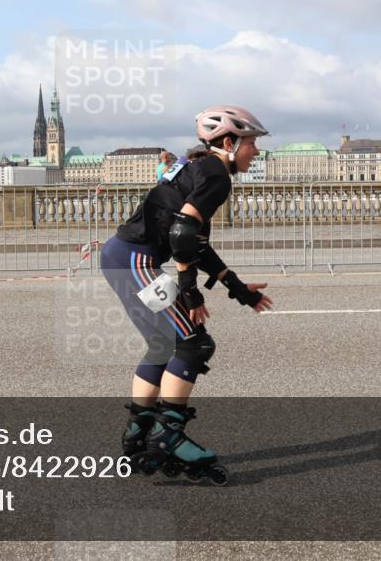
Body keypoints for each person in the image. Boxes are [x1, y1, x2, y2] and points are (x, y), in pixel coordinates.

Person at [100, 105, 274, 483]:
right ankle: (169, 437)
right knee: (194, 344)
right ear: (229, 142)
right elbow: (182, 234)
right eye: (252, 144)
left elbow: (196, 242)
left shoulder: (200, 168)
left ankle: (137, 436)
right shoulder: (216, 175)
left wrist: (238, 288)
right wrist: (191, 294)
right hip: (136, 260)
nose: (256, 152)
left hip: (122, 255)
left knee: (163, 345)